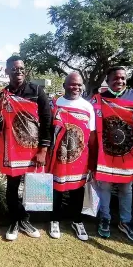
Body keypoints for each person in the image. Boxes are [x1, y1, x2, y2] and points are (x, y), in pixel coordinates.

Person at [0, 55, 52, 241]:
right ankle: (15, 220)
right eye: (15, 69)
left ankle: (27, 220)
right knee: (12, 187)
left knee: (35, 185)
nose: (19, 72)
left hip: (34, 150)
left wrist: (43, 150)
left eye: (22, 69)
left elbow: (47, 122)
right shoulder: (2, 95)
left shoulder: (37, 91)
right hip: (13, 151)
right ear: (7, 71)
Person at [91, 66, 133, 242]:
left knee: (126, 188)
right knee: (105, 186)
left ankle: (126, 221)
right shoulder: (99, 99)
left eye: (123, 78)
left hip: (128, 152)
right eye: (116, 78)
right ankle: (105, 218)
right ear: (107, 81)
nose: (120, 81)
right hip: (107, 152)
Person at [47, 73, 97, 241]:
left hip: (80, 156)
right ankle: (54, 220)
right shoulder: (55, 104)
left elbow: (91, 135)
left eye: (79, 85)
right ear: (64, 85)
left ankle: (77, 221)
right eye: (72, 84)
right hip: (58, 156)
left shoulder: (87, 107)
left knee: (77, 191)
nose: (76, 87)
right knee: (57, 190)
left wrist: (92, 160)